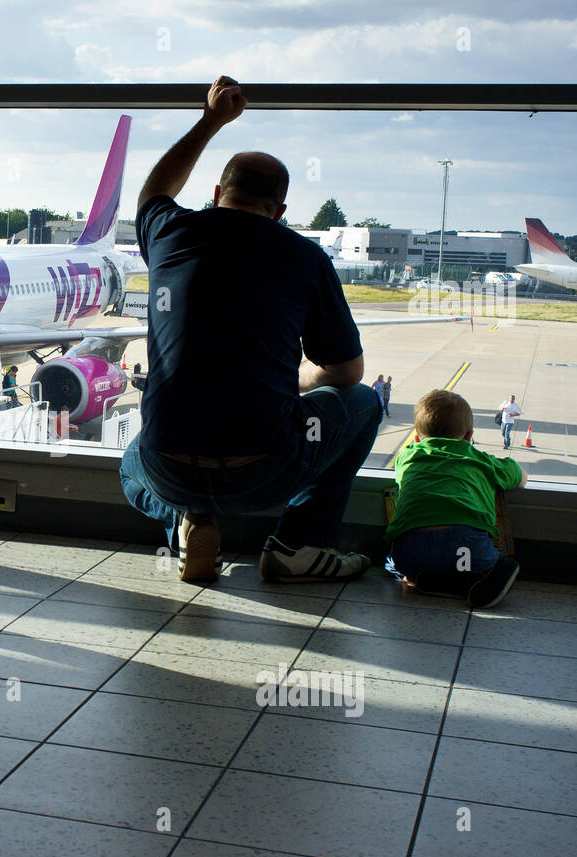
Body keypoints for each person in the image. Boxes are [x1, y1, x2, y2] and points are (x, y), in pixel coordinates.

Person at [119, 75, 380, 583]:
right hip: (264, 470)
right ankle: (296, 544)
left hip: (169, 467)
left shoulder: (171, 233)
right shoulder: (304, 257)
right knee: (365, 404)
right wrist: (299, 381)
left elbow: (156, 190)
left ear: (217, 194)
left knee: (133, 458)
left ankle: (185, 521)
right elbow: (347, 373)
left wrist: (211, 119)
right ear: (280, 213)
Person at [387, 389, 525, 608]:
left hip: (411, 553)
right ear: (469, 436)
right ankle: (493, 569)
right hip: (469, 549)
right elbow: (517, 475)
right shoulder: (480, 459)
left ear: (415, 437)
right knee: (484, 560)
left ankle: (419, 579)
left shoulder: (406, 457)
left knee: (392, 563)